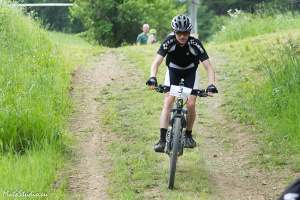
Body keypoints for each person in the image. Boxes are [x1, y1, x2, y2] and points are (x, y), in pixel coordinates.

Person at [146, 15, 218, 153]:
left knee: (191, 103)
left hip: (191, 71)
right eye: (179, 33)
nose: (182, 36)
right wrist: (153, 77)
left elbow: (209, 67)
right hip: (173, 70)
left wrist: (211, 84)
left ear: (189, 33)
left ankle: (188, 135)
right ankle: (162, 140)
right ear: (174, 32)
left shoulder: (195, 43)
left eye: (186, 33)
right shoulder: (169, 42)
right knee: (168, 101)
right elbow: (156, 62)